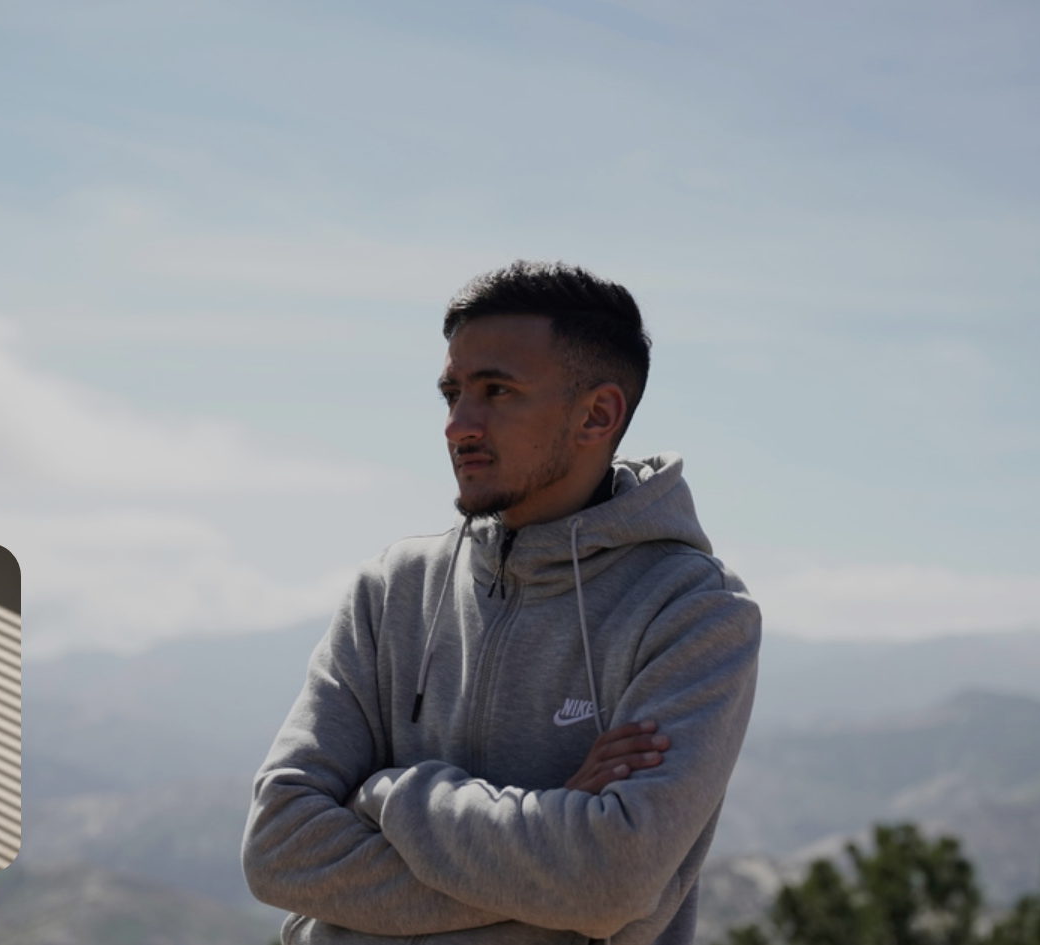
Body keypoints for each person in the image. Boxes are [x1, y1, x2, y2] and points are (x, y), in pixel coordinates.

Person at [242, 261, 761, 945]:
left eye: (497, 391)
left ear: (597, 414)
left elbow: (608, 881)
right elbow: (278, 847)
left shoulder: (692, 611)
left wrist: (384, 796)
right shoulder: (392, 590)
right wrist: (551, 831)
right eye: (451, 393)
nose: (458, 425)